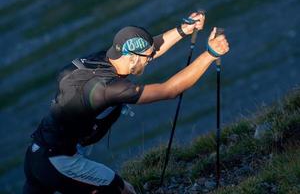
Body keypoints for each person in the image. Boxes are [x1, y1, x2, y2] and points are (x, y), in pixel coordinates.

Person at [23, 11, 229, 194]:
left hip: (36, 154)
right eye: (147, 59)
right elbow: (170, 90)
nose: (150, 60)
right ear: (131, 57)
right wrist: (209, 55)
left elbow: (153, 47)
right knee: (122, 189)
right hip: (59, 161)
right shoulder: (110, 89)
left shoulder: (103, 58)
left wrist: (184, 30)